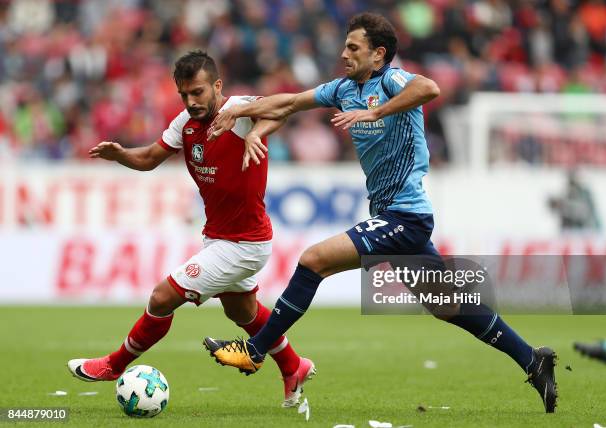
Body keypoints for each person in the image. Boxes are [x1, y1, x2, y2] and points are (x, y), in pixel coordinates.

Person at [202, 13, 558, 413]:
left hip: (405, 216)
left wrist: (376, 113)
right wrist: (243, 115)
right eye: (345, 46)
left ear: (378, 54)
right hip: (393, 215)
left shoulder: (391, 80)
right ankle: (533, 359)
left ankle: (255, 349)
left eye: (353, 47)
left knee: (314, 260)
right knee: (448, 305)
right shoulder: (342, 88)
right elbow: (290, 102)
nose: (343, 53)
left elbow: (430, 87)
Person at [67, 50, 315, 408]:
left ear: (217, 85)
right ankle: (294, 367)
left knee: (162, 298)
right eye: (184, 94)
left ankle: (113, 365)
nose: (191, 101)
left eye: (198, 92)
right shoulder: (184, 123)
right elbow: (151, 158)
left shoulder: (241, 108)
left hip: (244, 244)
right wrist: (121, 155)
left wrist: (254, 131)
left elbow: (285, 108)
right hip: (218, 237)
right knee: (242, 312)